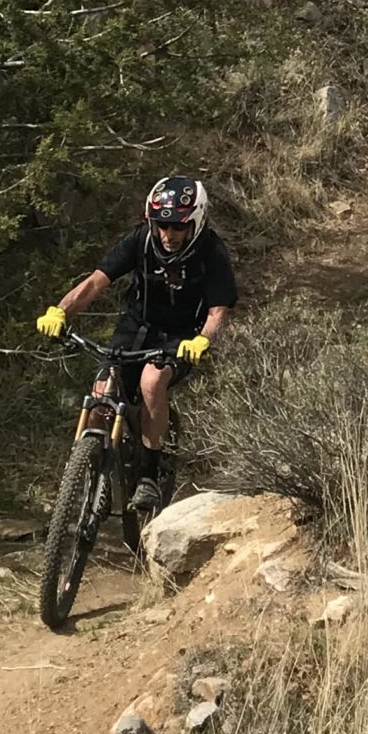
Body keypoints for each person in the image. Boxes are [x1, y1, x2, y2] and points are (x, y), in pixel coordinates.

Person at [36, 174, 236, 514]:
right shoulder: (141, 240)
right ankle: (89, 477)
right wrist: (60, 311)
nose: (168, 235)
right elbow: (96, 283)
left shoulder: (211, 253)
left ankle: (148, 476)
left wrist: (202, 339)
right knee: (101, 393)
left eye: (177, 227)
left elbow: (219, 311)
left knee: (151, 382)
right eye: (162, 225)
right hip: (137, 328)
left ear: (195, 222)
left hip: (181, 336)